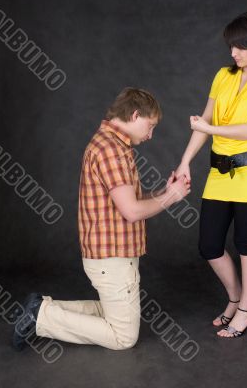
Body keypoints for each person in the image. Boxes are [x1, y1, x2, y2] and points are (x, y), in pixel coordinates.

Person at [13, 87, 190, 351]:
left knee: (111, 314)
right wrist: (172, 198)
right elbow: (131, 212)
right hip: (112, 258)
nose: (151, 135)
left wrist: (165, 191)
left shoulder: (112, 144)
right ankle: (41, 317)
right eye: (150, 126)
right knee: (123, 338)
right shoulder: (111, 150)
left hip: (111, 256)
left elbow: (127, 201)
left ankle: (40, 307)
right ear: (134, 114)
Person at [175, 12, 247, 338]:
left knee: (245, 243)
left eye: (240, 46)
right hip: (220, 174)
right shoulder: (222, 76)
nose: (233, 53)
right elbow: (204, 121)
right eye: (231, 46)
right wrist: (184, 162)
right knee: (209, 245)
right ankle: (235, 299)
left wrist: (207, 127)